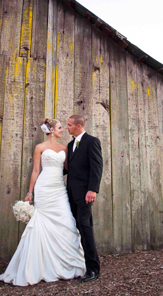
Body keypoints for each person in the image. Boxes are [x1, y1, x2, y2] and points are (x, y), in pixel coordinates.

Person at [0, 118, 85, 286]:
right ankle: (39, 266)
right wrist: (30, 192)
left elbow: (68, 169)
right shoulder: (40, 148)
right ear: (51, 130)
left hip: (59, 189)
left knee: (66, 221)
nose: (62, 130)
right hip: (44, 188)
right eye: (60, 127)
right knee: (41, 224)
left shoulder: (65, 148)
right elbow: (36, 170)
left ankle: (65, 264)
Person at [66, 115, 103, 282]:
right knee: (78, 228)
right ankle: (78, 263)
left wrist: (92, 190)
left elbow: (97, 167)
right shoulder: (70, 144)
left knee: (85, 228)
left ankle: (93, 269)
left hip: (85, 195)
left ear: (78, 126)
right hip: (71, 194)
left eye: (69, 125)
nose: (67, 127)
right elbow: (70, 169)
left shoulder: (91, 141)